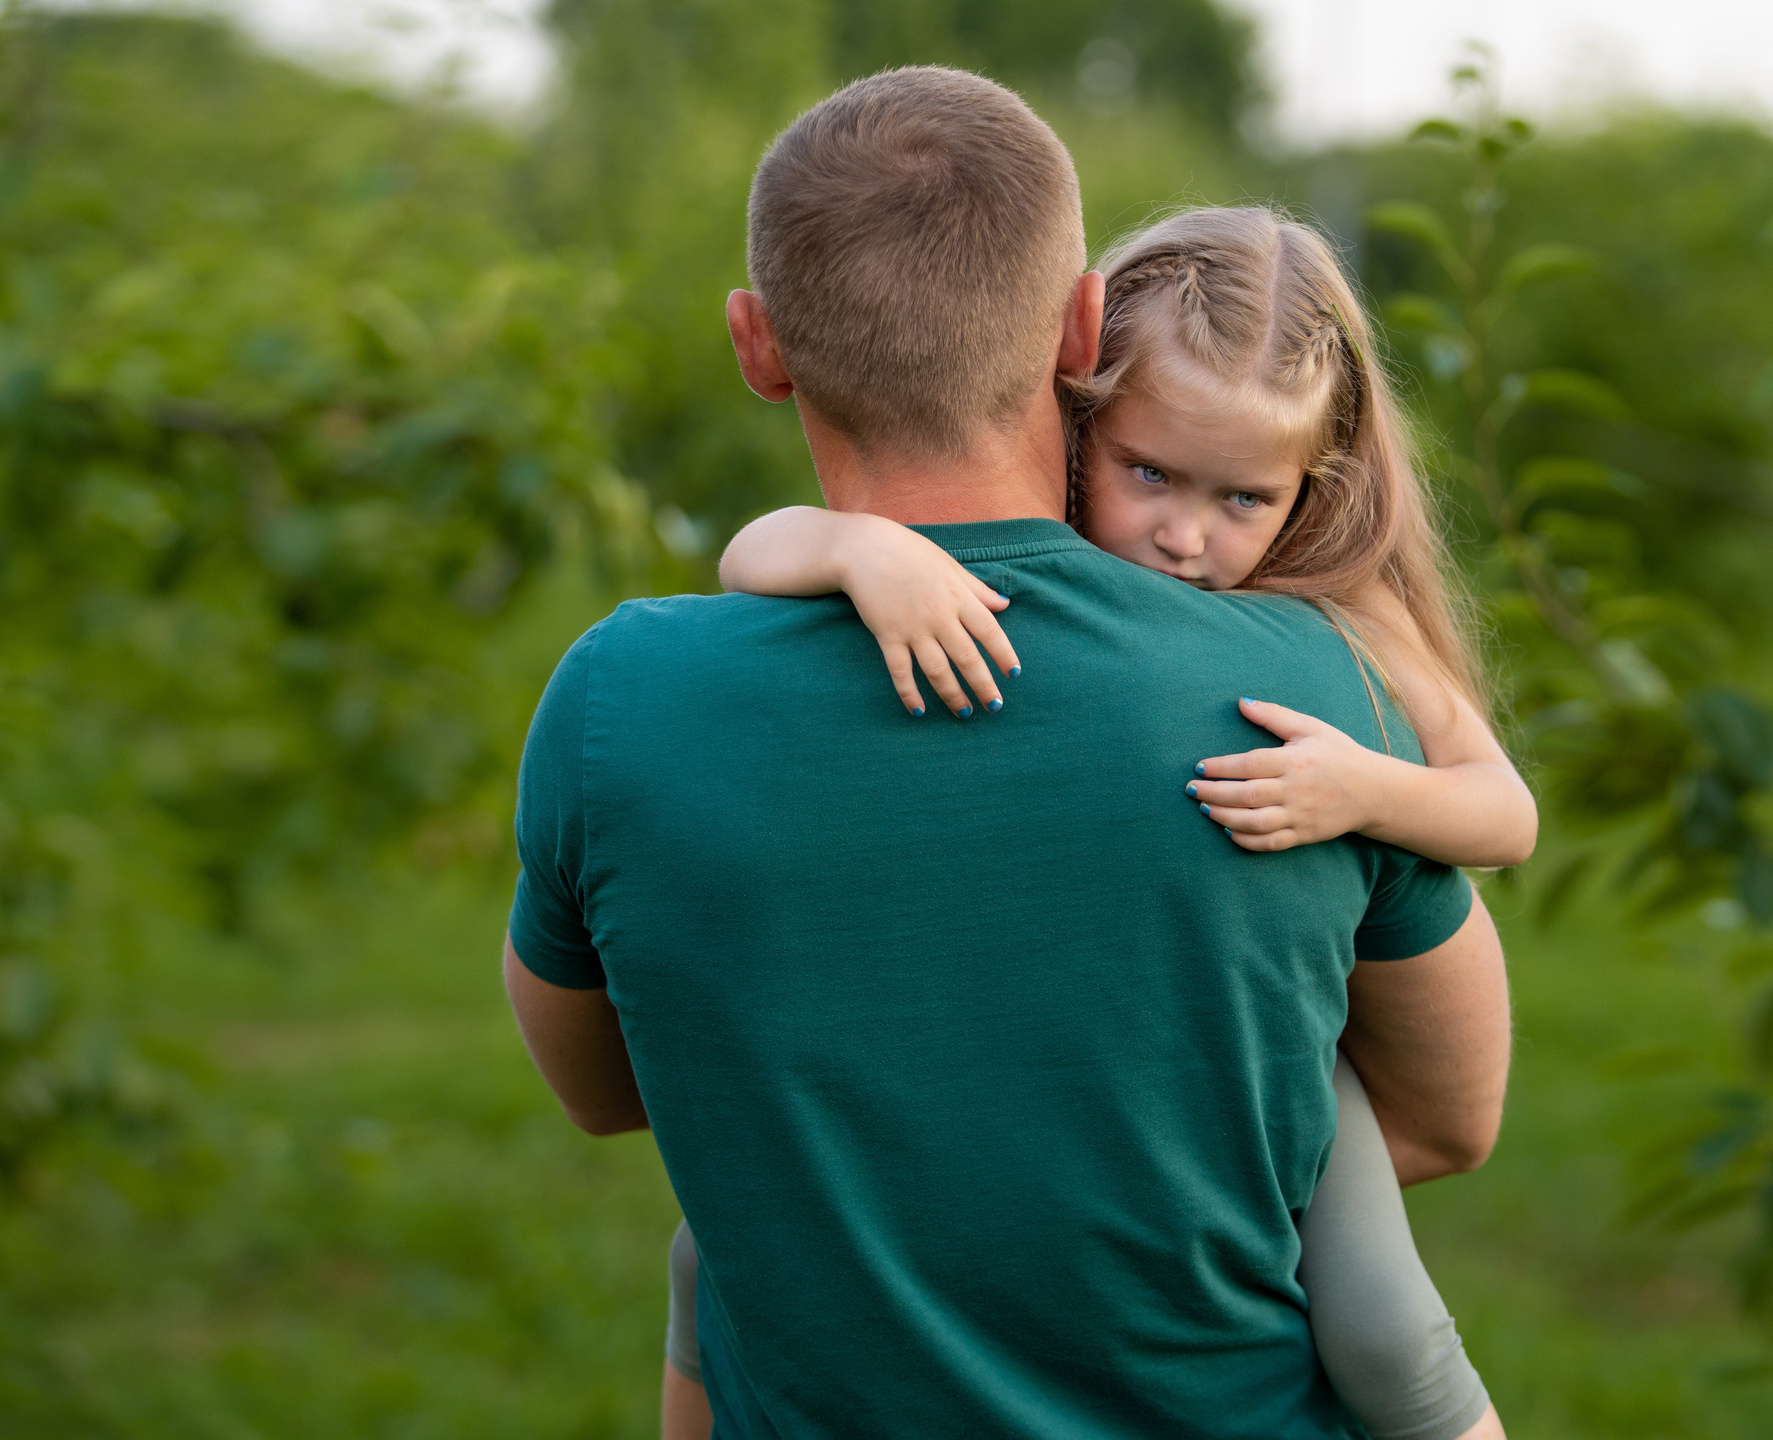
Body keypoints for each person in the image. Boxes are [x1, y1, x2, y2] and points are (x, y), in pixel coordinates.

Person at [502, 66, 1512, 1440]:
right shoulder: (1311, 679)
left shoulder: (617, 701)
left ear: (758, 343)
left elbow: (611, 1094)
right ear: (1082, 321)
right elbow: (1454, 1118)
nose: (1188, 528)